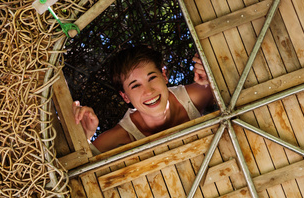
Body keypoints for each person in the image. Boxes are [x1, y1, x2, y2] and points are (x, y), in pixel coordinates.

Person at [72, 45, 214, 154]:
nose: (148, 91)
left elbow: (229, 86)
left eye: (152, 78)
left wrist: (213, 77)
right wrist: (85, 138)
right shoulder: (120, 137)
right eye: (135, 86)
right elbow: (82, 168)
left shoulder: (194, 97)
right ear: (125, 96)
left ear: (164, 75)